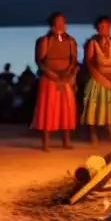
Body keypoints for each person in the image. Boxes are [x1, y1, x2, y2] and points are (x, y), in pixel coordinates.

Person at [33, 12, 78, 151]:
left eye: (63, 22)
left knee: (66, 109)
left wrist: (68, 74)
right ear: (52, 24)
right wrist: (52, 75)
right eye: (58, 22)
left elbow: (74, 60)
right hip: (49, 78)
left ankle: (66, 140)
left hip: (65, 78)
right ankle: (45, 142)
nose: (60, 25)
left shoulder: (70, 40)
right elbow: (40, 61)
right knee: (48, 109)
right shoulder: (45, 40)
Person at [81, 16, 111, 143]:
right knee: (93, 107)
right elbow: (89, 62)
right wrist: (99, 77)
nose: (105, 29)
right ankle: (93, 134)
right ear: (97, 29)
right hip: (97, 77)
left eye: (107, 26)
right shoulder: (93, 43)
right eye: (102, 26)